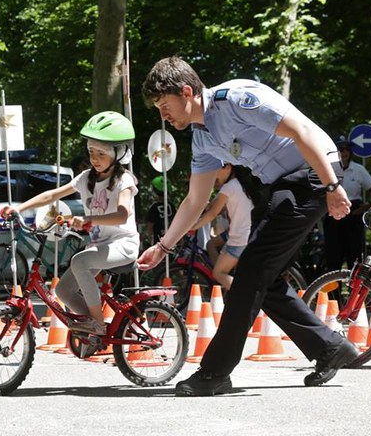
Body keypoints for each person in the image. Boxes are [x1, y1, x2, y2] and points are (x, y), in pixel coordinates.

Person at [138, 56, 357, 396]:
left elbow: (301, 131)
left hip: (312, 174)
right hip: (280, 185)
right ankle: (329, 347)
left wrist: (332, 186)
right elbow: (195, 200)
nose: (163, 115)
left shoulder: (237, 100)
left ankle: (215, 372)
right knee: (263, 277)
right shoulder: (202, 139)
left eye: (165, 105)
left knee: (252, 269)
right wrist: (163, 246)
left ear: (187, 92)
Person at [3, 111, 139, 335]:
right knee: (64, 291)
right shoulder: (85, 178)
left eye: (101, 153)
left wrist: (88, 219)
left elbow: (122, 215)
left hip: (123, 245)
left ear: (119, 154)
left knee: (80, 261)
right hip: (100, 247)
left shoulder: (123, 180)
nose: (95, 158)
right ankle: (94, 329)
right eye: (91, 152)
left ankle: (98, 324)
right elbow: (51, 195)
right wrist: (19, 208)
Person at [190, 163, 258, 292]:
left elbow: (213, 213)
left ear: (228, 168)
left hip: (239, 239)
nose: (214, 175)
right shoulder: (241, 184)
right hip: (248, 235)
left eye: (216, 170)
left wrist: (192, 227)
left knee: (218, 273)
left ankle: (245, 295)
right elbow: (214, 207)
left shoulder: (229, 187)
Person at [322, 136, 371, 273]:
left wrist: (367, 205)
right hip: (333, 214)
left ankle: (355, 286)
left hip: (354, 214)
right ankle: (334, 286)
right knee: (333, 254)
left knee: (355, 254)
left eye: (347, 149)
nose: (344, 152)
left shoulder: (358, 169)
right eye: (341, 149)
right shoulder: (328, 169)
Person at [144, 175, 176, 247]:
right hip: (172, 239)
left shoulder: (154, 207)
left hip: (158, 240)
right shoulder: (171, 206)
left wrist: (150, 239)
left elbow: (150, 226)